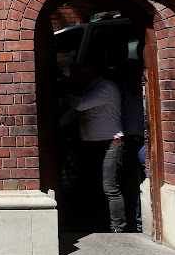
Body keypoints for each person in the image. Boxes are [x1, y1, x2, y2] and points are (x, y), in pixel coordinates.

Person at [63, 61, 126, 232]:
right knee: (94, 187)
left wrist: (65, 93)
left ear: (90, 72)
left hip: (110, 146)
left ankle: (117, 229)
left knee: (110, 188)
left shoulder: (106, 87)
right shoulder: (89, 89)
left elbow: (80, 104)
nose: (75, 78)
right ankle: (98, 224)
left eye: (78, 75)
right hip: (92, 147)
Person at [120, 60, 146, 232]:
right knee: (131, 185)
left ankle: (142, 223)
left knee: (146, 182)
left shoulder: (145, 93)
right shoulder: (123, 95)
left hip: (145, 143)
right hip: (129, 142)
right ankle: (134, 222)